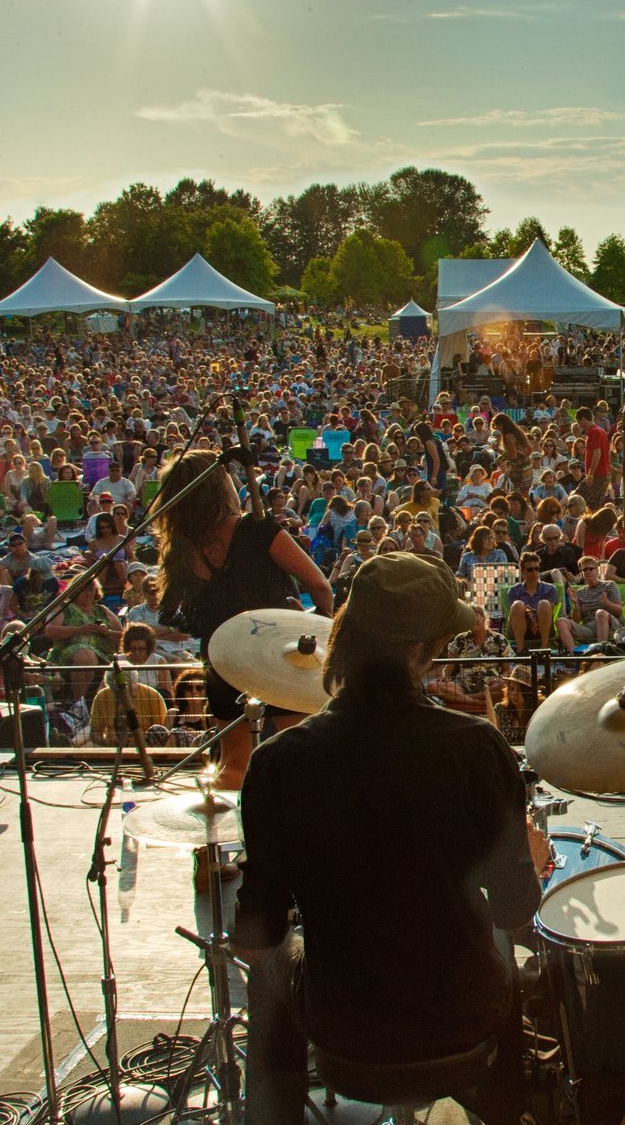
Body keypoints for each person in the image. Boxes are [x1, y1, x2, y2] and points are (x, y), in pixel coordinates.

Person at [233, 552, 546, 1125]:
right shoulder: (476, 748)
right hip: (462, 1018)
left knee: (271, 968)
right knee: (499, 951)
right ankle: (507, 1110)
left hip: (341, 1026)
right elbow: (516, 909)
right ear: (421, 649)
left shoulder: (278, 763)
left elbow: (254, 939)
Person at [156, 450, 334, 789]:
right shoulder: (257, 530)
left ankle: (232, 835)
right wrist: (313, 623)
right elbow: (320, 586)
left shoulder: (182, 547)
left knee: (233, 764)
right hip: (277, 652)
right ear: (219, 486)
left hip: (224, 658)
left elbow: (185, 609)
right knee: (298, 758)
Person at [556, 556, 623, 649]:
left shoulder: (610, 585)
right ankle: (574, 656)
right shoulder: (579, 592)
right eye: (584, 570)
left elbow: (619, 612)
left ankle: (601, 652)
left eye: (591, 569)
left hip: (610, 626)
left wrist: (607, 603)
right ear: (582, 574)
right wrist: (575, 604)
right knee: (560, 622)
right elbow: (576, 620)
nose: (588, 571)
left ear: (597, 571)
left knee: (600, 613)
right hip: (589, 628)